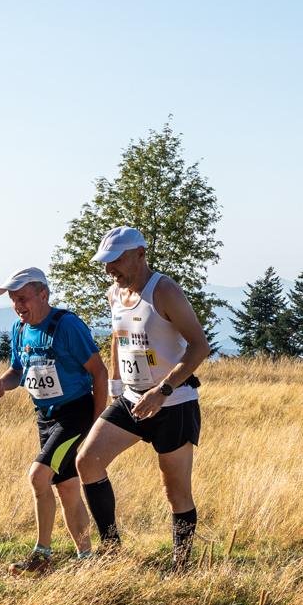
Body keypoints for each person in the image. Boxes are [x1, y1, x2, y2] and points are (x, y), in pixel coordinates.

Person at [72, 226, 211, 571]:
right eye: (105, 263)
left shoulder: (164, 291)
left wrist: (161, 391)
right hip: (133, 400)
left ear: (139, 254)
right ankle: (112, 552)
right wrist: (117, 384)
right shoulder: (114, 294)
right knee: (87, 462)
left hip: (173, 402)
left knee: (174, 491)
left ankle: (181, 566)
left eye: (115, 261)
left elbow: (199, 346)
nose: (109, 270)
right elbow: (120, 336)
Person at [0, 267, 110, 575]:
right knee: (67, 489)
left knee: (37, 477)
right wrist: (3, 383)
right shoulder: (19, 328)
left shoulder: (67, 326)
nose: (18, 306)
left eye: (23, 298)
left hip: (75, 414)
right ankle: (86, 559)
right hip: (45, 417)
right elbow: (18, 371)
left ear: (44, 295)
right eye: (14, 300)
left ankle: (42, 556)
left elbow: (99, 372)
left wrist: (97, 423)